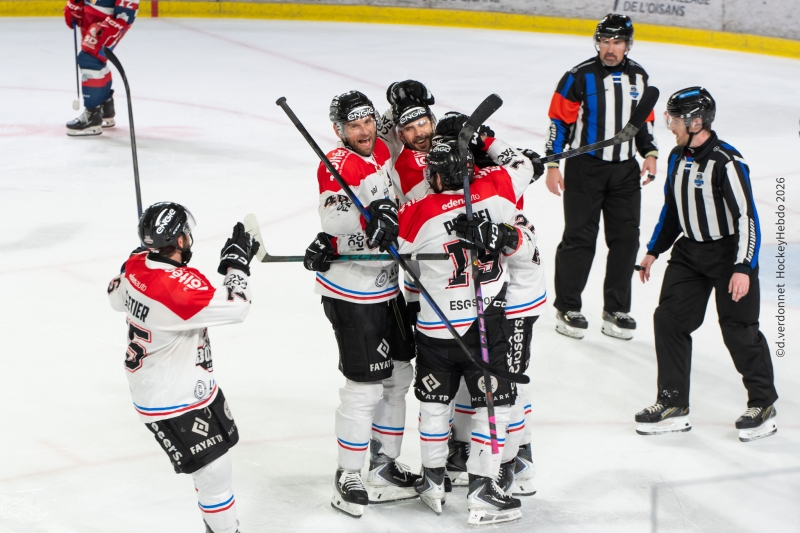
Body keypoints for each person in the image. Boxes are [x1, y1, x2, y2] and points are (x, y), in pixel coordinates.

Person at [397, 132, 535, 526]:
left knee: (435, 405)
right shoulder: (498, 188)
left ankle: (432, 481)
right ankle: (482, 489)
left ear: (437, 176)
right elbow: (522, 164)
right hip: (484, 326)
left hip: (435, 327)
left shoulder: (418, 210)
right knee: (492, 406)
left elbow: (397, 253)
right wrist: (486, 139)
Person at [635, 87, 778, 442]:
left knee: (738, 330)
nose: (670, 124)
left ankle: (763, 403)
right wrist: (654, 249)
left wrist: (743, 267)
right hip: (689, 254)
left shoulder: (726, 161)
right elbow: (673, 209)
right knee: (669, 319)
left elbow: (747, 218)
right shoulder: (676, 156)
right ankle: (672, 403)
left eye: (675, 118)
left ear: (696, 121)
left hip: (729, 255)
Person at [107, 202, 259, 533]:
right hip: (171, 398)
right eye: (186, 235)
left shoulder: (136, 265)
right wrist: (237, 263)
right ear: (178, 241)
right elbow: (237, 307)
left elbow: (115, 298)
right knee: (214, 474)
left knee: (217, 469)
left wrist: (130, 264)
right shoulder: (176, 290)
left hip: (186, 384)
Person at [302, 90, 419, 518]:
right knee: (365, 388)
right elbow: (332, 217)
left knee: (398, 378)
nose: (365, 130)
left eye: (368, 121)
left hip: (388, 287)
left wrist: (406, 96)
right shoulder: (338, 162)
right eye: (355, 126)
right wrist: (375, 210)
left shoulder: (381, 144)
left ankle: (384, 464)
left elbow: (394, 122)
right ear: (339, 131)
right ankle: (348, 474)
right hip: (352, 291)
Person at [544, 13, 658, 340]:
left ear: (627, 45)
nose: (610, 48)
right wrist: (553, 164)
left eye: (617, 42)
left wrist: (649, 153)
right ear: (598, 42)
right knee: (580, 238)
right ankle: (568, 307)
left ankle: (616, 309)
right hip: (585, 168)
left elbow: (643, 124)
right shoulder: (577, 77)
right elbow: (559, 124)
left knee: (625, 240)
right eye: (605, 41)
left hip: (625, 172)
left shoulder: (639, 76)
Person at [64, 0, 137, 136]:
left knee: (90, 59)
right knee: (97, 60)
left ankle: (92, 116)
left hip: (111, 16)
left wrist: (122, 18)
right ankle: (104, 107)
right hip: (91, 10)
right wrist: (76, 2)